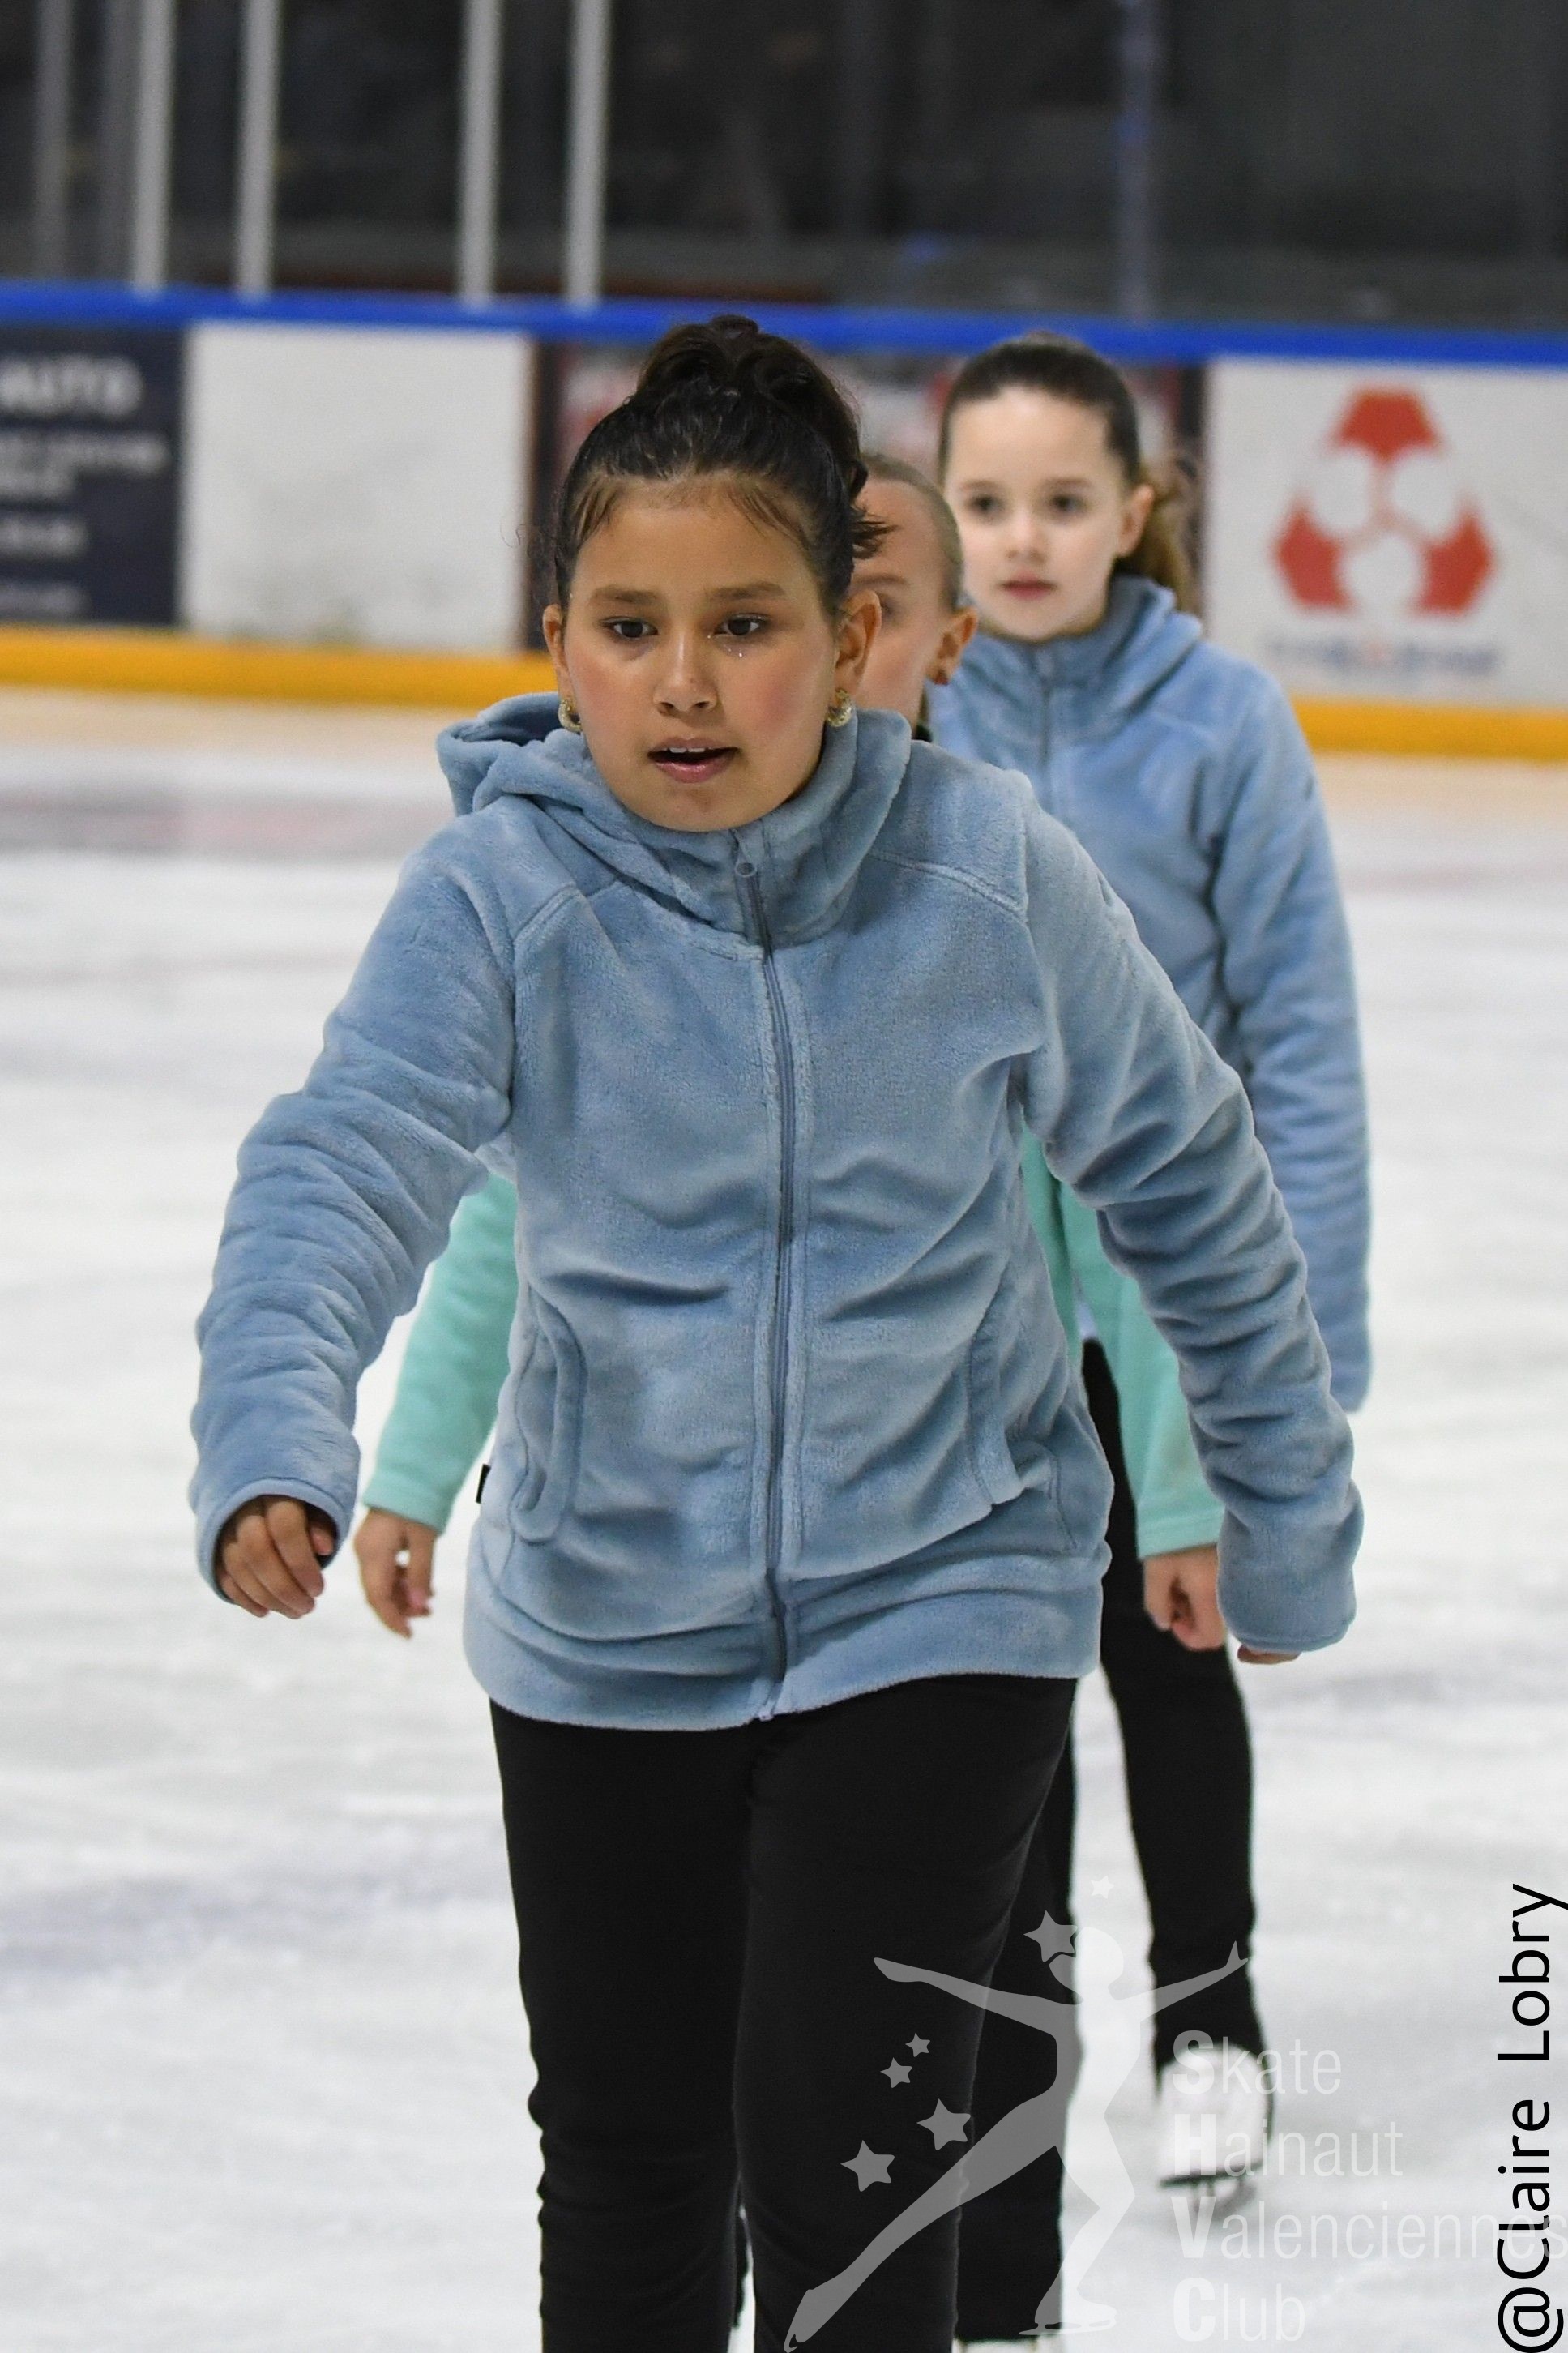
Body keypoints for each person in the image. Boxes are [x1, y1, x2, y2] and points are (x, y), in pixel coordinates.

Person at [190, 316, 1360, 2353]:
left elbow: (1186, 1175)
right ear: (557, 642)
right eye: (629, 628)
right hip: (602, 1615)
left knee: (856, 2172)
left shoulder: (985, 877)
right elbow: (349, 1158)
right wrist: (280, 1422)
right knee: (633, 2155)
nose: (683, 681)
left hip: (942, 1592)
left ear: (849, 634)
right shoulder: (499, 899)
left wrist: (1276, 1504)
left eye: (743, 625)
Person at [929, 332, 1371, 2344]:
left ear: (1136, 505)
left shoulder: (1222, 727)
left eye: (1060, 501)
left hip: (1175, 1315)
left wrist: (1302, 1356)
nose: (1022, 539)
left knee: (1169, 1662)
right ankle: (1006, 2061)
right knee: (993, 1698)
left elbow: (1300, 1048)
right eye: (984, 503)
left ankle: (1210, 2022)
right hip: (959, 1321)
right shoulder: (908, 708)